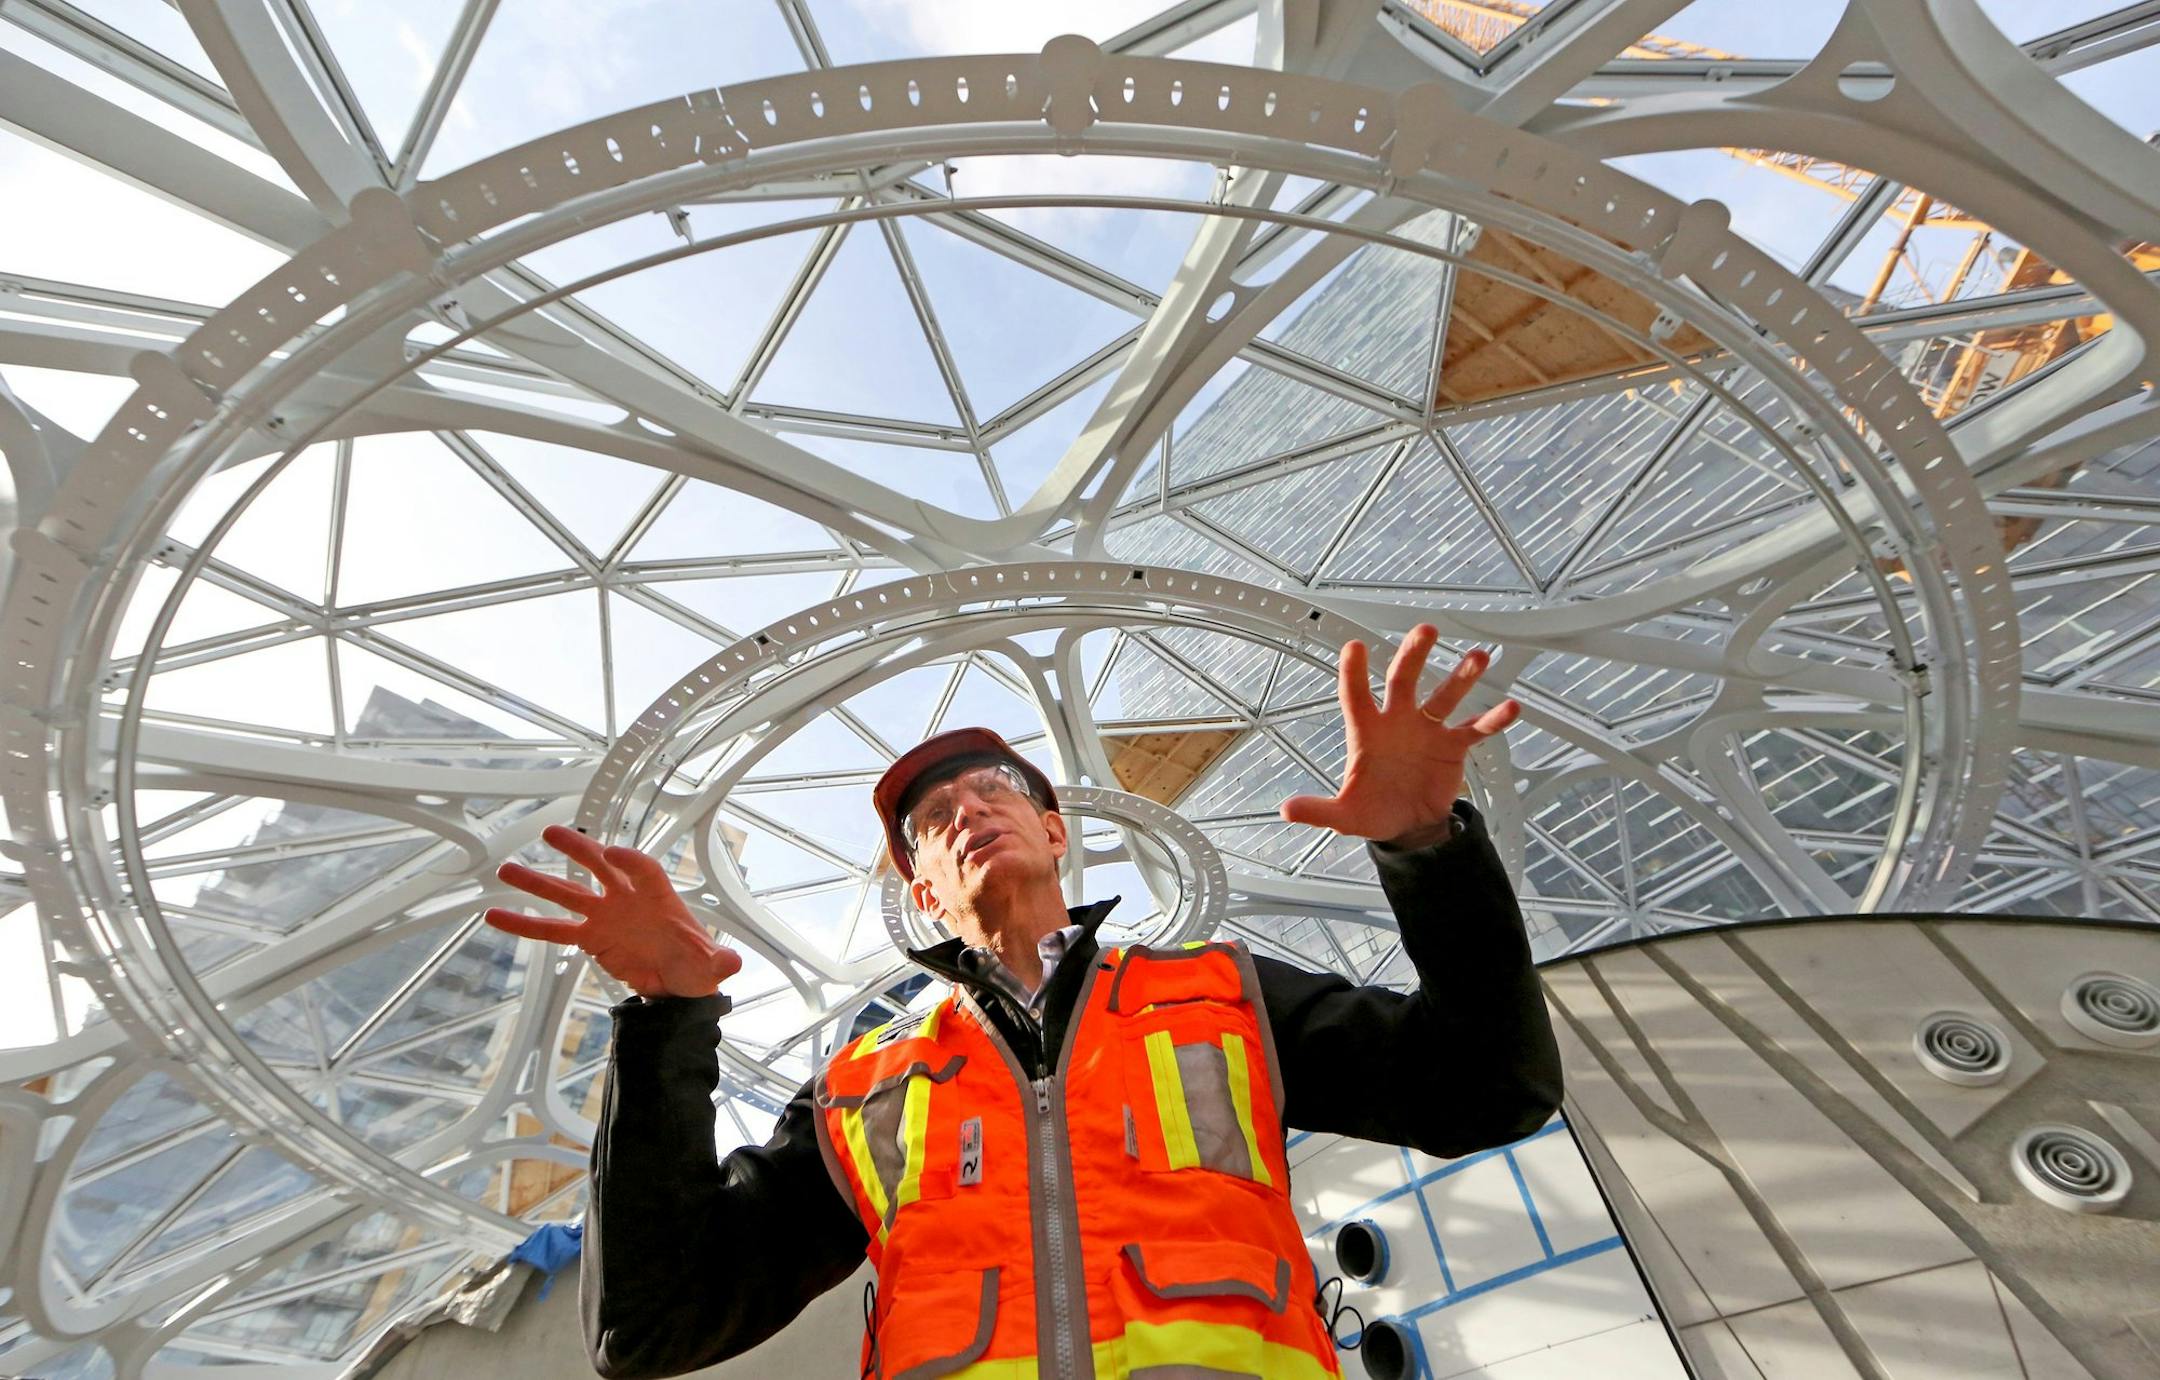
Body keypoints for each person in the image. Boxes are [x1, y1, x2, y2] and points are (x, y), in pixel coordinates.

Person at [485, 625, 1561, 1379]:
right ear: (922, 892)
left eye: (996, 790)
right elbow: (651, 1324)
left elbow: (1488, 1091)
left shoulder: (1220, 994)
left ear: (1057, 831)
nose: (967, 813)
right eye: (935, 818)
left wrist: (1428, 852)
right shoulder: (864, 1088)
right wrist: (668, 1018)